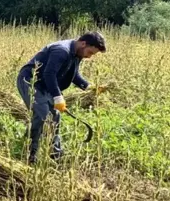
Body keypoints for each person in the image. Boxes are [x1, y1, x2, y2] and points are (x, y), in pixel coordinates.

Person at [17, 32, 106, 164]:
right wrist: (58, 97)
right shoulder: (61, 51)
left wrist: (89, 87)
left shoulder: (76, 53)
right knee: (43, 115)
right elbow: (49, 74)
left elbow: (73, 74)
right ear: (83, 43)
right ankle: (30, 154)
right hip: (30, 80)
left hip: (45, 84)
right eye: (90, 52)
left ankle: (56, 154)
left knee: (55, 117)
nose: (89, 57)